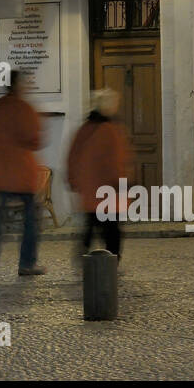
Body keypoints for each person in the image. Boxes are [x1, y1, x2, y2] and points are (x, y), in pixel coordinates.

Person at [0, 70, 45, 281]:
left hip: (0, 175)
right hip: (22, 175)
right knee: (30, 221)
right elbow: (35, 139)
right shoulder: (24, 109)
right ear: (17, 85)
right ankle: (27, 263)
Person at [66, 88, 133, 260]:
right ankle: (111, 264)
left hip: (89, 190)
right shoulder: (110, 130)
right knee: (112, 232)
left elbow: (73, 156)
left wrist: (73, 180)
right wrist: (123, 184)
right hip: (108, 191)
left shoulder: (85, 129)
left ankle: (82, 255)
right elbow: (115, 161)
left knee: (92, 225)